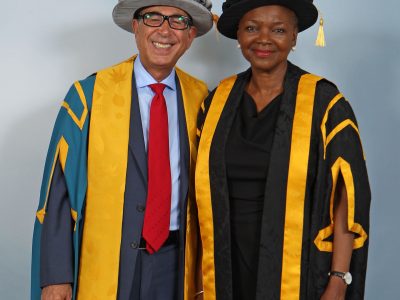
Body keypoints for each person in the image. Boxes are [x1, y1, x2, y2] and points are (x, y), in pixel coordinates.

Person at [31, 0, 213, 299]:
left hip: (176, 262)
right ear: (136, 26)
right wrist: (56, 276)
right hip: (106, 261)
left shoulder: (201, 99)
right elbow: (59, 192)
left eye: (178, 20)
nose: (165, 31)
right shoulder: (89, 96)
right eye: (153, 18)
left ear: (190, 35)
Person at [194, 0, 371, 299]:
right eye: (251, 28)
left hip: (298, 266)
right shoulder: (216, 102)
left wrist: (339, 278)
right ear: (238, 35)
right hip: (226, 263)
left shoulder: (325, 104)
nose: (263, 38)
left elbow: (346, 197)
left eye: (278, 29)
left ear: (294, 37)